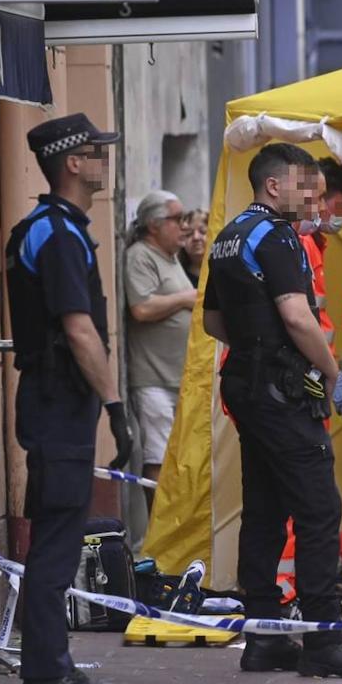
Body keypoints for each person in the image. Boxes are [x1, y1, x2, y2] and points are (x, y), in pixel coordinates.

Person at [202, 142, 342, 678]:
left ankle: (264, 636)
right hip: (284, 390)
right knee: (319, 509)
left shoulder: (231, 234)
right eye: (305, 186)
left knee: (262, 508)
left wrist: (254, 340)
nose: (314, 197)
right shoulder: (278, 236)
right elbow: (299, 317)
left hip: (246, 385)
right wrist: (331, 372)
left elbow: (215, 322)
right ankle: (326, 642)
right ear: (275, 185)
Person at [5, 113, 133, 684]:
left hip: (57, 402)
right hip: (60, 403)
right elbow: (80, 330)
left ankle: (53, 668)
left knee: (58, 539)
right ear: (72, 164)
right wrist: (115, 405)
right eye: (95, 152)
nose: (104, 160)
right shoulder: (56, 233)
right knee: (56, 545)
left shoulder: (60, 228)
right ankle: (45, 679)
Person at [274, 157, 342, 607]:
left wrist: (335, 373)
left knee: (297, 493)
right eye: (338, 204)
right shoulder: (299, 245)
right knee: (305, 495)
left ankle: (286, 591)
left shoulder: (309, 245)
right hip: (298, 385)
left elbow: (319, 322)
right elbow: (301, 320)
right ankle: (289, 592)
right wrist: (332, 377)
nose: (339, 214)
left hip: (301, 382)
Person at [124, 190, 197, 499]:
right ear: (153, 225)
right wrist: (185, 298)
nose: (184, 226)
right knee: (158, 458)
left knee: (180, 459)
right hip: (154, 379)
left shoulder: (171, 257)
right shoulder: (140, 255)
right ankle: (158, 535)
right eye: (176, 219)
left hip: (178, 376)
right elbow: (142, 308)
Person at [178, 208, 208, 287]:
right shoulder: (177, 276)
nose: (196, 237)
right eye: (189, 234)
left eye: (203, 231)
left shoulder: (222, 272)